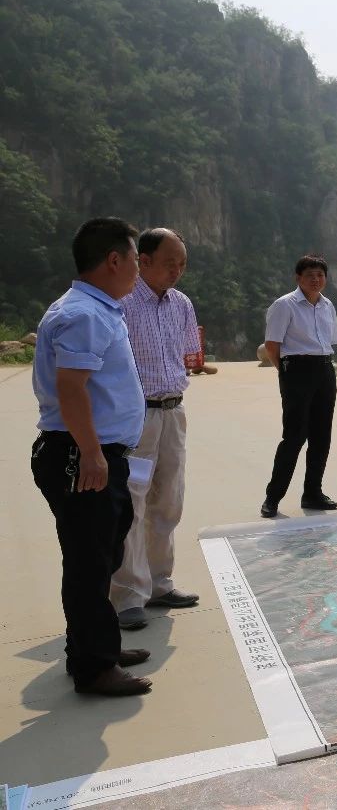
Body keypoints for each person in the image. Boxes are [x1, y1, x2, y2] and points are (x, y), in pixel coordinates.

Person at [30, 217, 152, 695]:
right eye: (136, 260)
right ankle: (95, 667)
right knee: (88, 562)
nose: (138, 271)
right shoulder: (84, 314)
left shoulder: (98, 310)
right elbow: (71, 389)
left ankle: (92, 646)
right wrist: (91, 454)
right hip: (80, 455)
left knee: (101, 556)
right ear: (114, 260)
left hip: (95, 453)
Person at [111, 228, 202, 631]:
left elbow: (186, 355)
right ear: (143, 261)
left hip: (172, 413)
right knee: (131, 504)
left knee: (168, 500)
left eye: (181, 264)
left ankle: (159, 583)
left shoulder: (181, 303)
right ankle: (128, 596)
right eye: (169, 263)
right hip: (136, 419)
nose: (176, 271)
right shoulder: (122, 304)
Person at [259, 254, 337, 518]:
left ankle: (313, 493)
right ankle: (273, 497)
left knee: (321, 435)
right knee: (294, 436)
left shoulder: (328, 305)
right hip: (296, 370)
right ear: (298, 278)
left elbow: (330, 340)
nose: (315, 279)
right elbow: (272, 345)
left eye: (320, 275)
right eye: (309, 275)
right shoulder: (284, 305)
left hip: (325, 369)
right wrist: (286, 373)